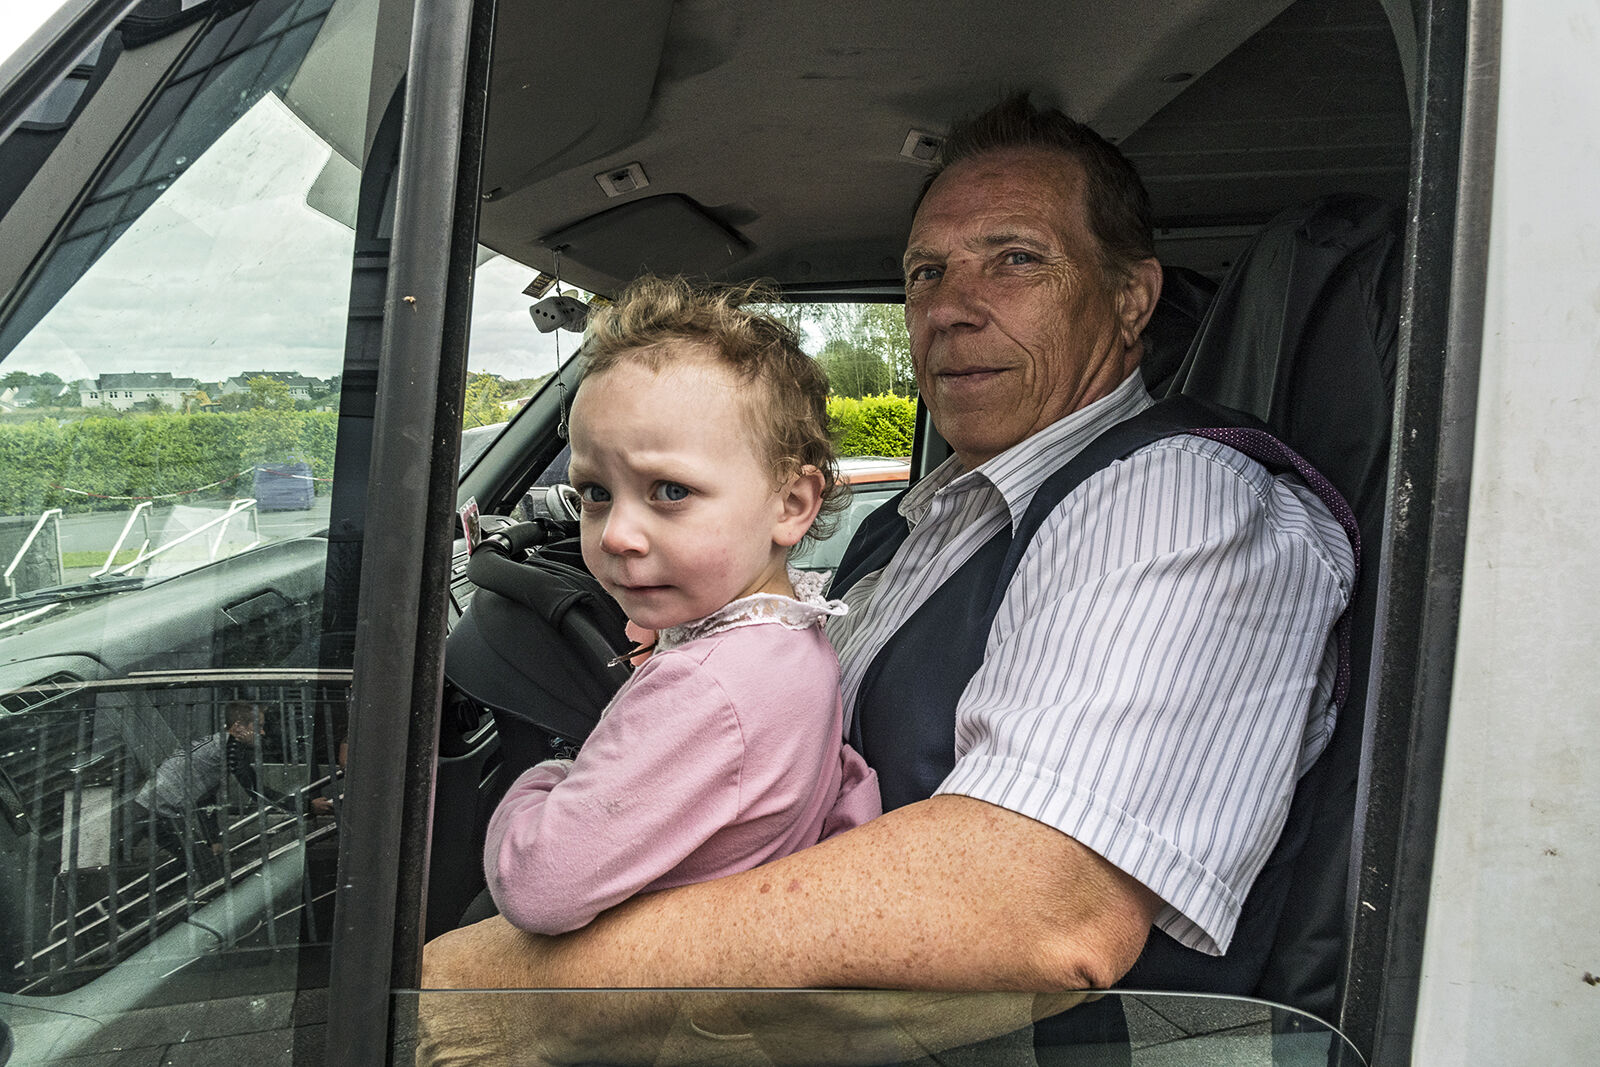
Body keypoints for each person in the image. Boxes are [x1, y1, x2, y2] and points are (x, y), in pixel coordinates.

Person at [422, 91, 1353, 1018]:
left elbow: (1036, 906)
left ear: (1129, 298)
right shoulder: (927, 516)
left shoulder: (1176, 500)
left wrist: (514, 989)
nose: (948, 308)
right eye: (924, 273)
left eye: (1015, 260)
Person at [482, 275, 881, 935]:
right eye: (595, 492)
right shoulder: (791, 642)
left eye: (669, 489)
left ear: (791, 505)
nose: (614, 534)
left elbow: (537, 886)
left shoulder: (708, 686)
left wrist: (550, 777)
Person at [128, 700, 271, 883]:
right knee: (206, 864)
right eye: (258, 726)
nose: (262, 733)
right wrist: (306, 805)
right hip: (158, 810)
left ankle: (135, 898)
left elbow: (205, 798)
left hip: (151, 807)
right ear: (237, 728)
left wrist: (213, 839)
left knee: (197, 858)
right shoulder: (229, 748)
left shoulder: (219, 744)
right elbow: (256, 790)